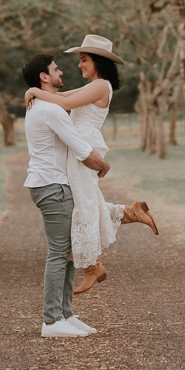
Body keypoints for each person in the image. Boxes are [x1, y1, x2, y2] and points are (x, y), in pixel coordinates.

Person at [25, 35, 158, 295]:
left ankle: (92, 266)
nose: (79, 65)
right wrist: (40, 91)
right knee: (84, 200)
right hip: (80, 146)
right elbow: (63, 95)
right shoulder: (96, 86)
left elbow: (62, 103)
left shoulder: (100, 86)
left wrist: (33, 91)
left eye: (84, 60)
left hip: (83, 146)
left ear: (97, 62)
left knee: (82, 203)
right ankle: (132, 212)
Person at [22, 52, 110, 338]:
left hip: (54, 184)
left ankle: (66, 314)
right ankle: (51, 320)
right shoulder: (51, 110)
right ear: (44, 77)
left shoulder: (42, 105)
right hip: (53, 186)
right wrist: (103, 165)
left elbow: (71, 99)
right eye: (56, 69)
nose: (63, 71)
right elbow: (82, 150)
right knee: (59, 253)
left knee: (68, 253)